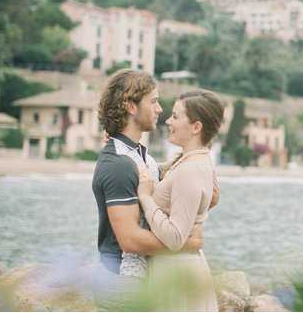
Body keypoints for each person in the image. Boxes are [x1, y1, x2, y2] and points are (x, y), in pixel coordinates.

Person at [91, 69, 215, 310]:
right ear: (131, 106)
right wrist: (186, 243)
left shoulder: (139, 156)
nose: (160, 110)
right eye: (154, 101)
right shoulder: (118, 164)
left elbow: (188, 192)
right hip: (122, 284)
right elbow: (130, 240)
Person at [136, 90, 224, 311]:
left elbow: (175, 237)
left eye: (175, 116)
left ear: (196, 127)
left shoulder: (190, 170)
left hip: (176, 272)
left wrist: (146, 198)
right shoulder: (190, 160)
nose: (168, 120)